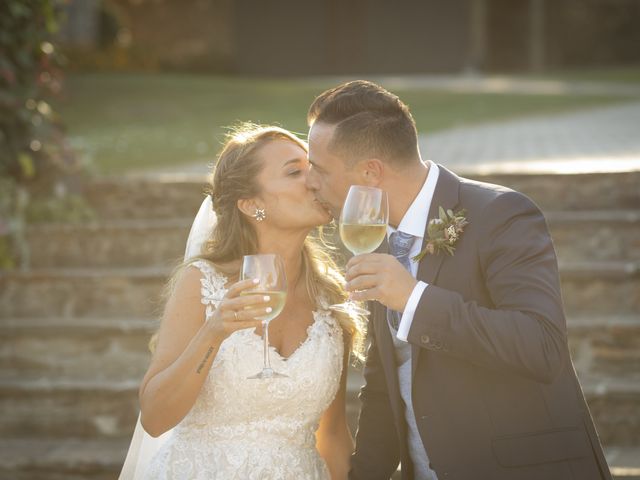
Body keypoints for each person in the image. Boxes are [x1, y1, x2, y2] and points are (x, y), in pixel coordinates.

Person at [305, 80, 612, 480]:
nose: (310, 182)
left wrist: (414, 299)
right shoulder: (375, 239)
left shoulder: (502, 215)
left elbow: (542, 346)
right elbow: (385, 390)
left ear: (370, 173)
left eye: (319, 168)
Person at [122, 124, 363, 479]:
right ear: (252, 205)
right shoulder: (203, 283)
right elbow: (155, 418)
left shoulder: (332, 299)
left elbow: (334, 435)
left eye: (312, 168)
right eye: (295, 172)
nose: (313, 180)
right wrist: (213, 332)